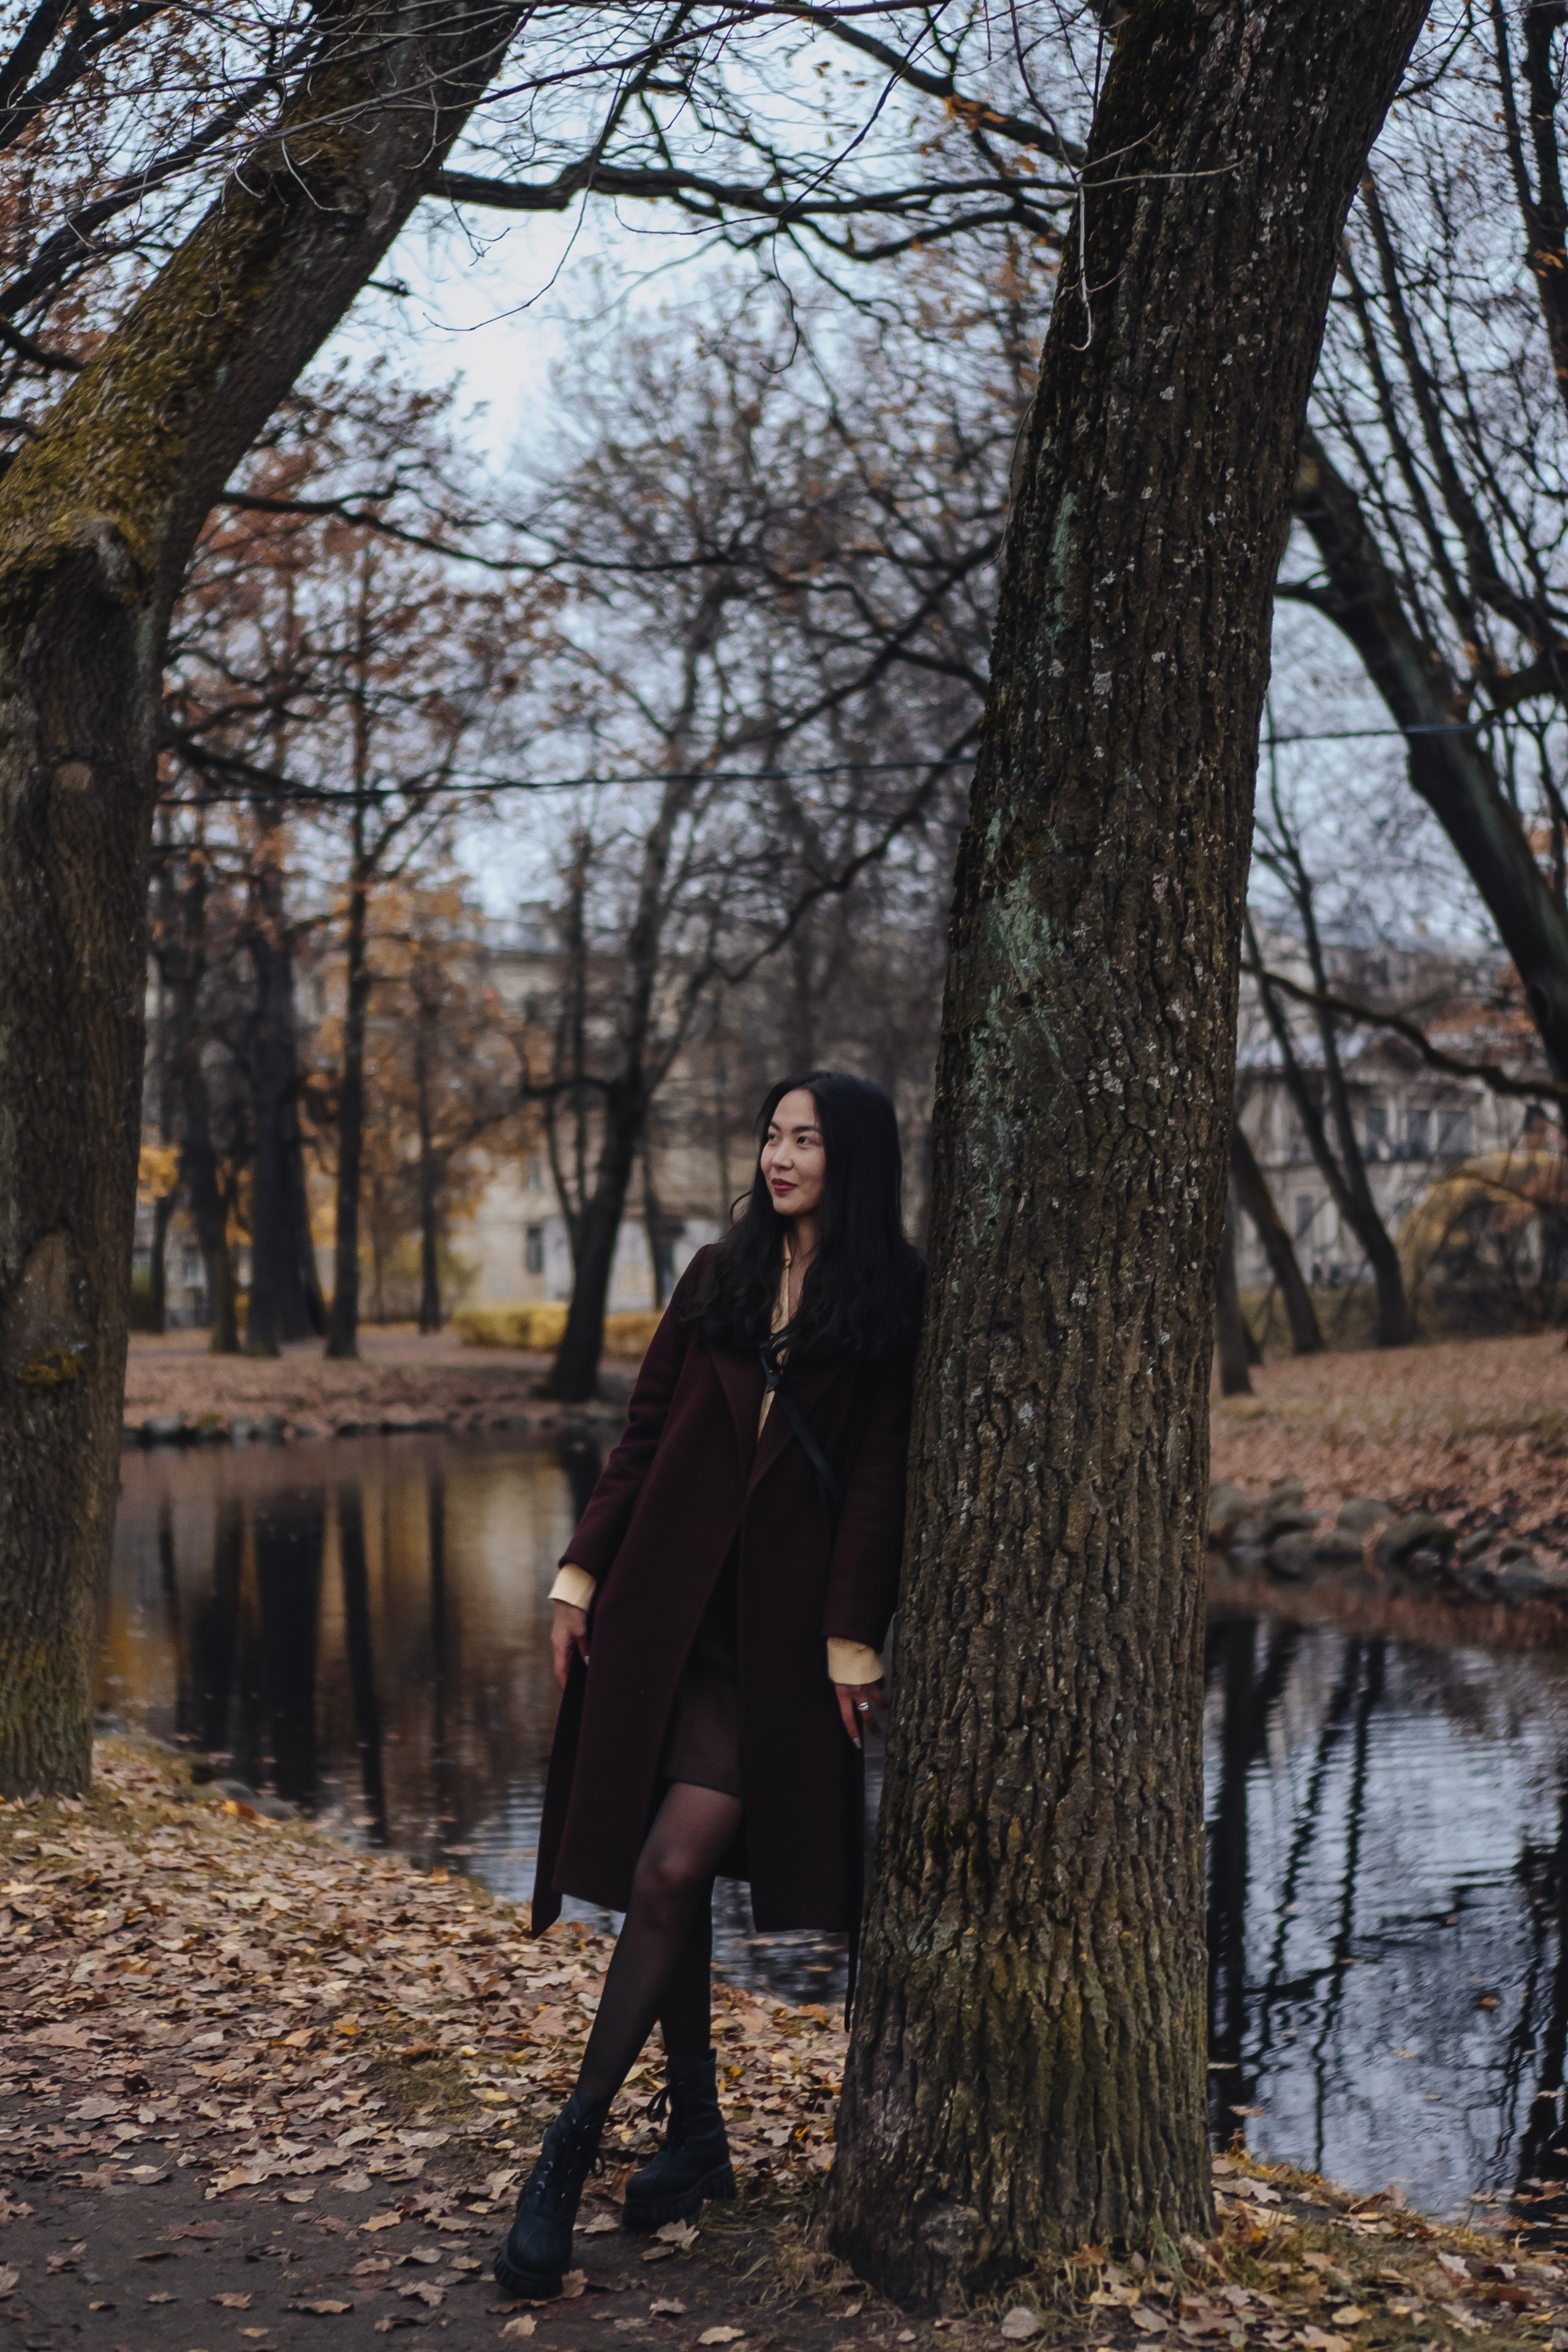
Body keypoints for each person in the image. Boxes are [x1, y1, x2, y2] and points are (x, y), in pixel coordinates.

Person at [494, 1071, 924, 2299]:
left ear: (851, 1158)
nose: (779, 1156)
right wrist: (579, 1577)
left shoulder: (890, 1299)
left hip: (775, 1646)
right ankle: (694, 2138)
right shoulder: (715, 1278)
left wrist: (853, 1638)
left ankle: (565, 2154)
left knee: (673, 1871)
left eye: (804, 1139)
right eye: (770, 1135)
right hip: (664, 1620)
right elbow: (641, 1435)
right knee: (653, 1874)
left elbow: (882, 1482)